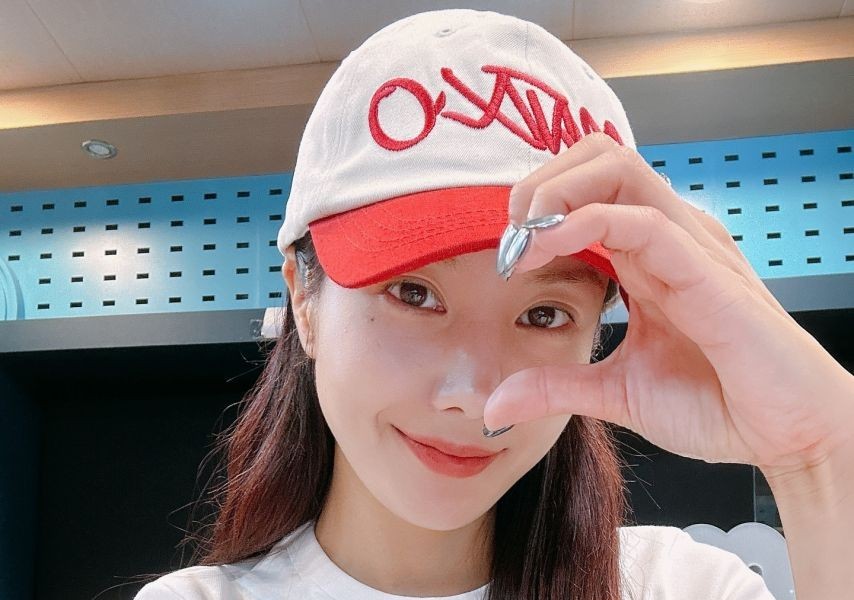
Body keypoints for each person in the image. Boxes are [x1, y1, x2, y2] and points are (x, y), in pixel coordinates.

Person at [134, 8, 853, 600]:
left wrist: (817, 453)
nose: (477, 395)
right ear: (305, 299)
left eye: (545, 314)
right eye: (415, 292)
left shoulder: (683, 588)